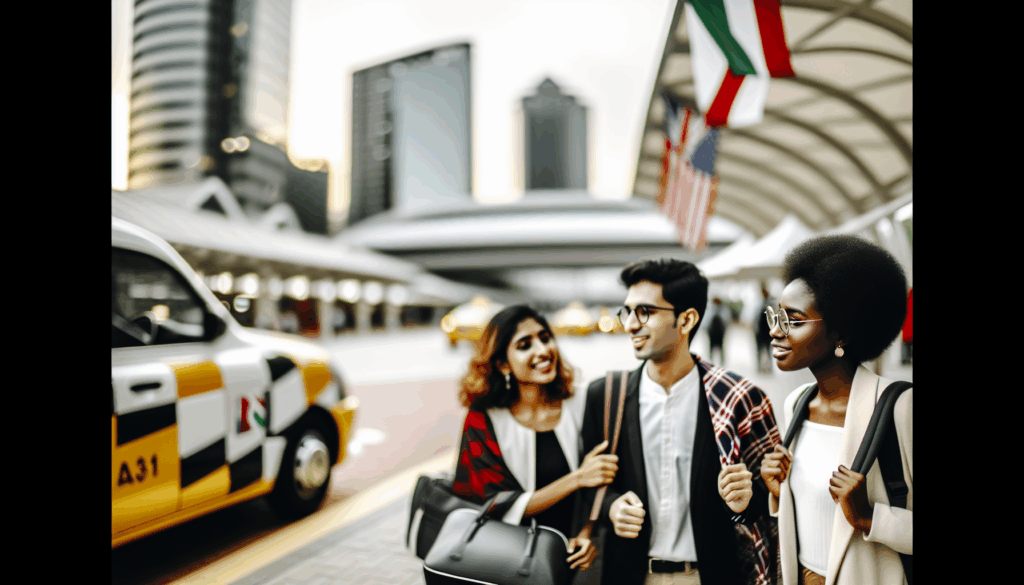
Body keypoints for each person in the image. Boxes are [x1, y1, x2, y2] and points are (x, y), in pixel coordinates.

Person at [580, 259, 780, 585]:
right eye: (627, 311)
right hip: (630, 575)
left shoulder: (738, 398)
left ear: (686, 319)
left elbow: (775, 497)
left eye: (644, 312)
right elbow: (587, 486)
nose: (630, 324)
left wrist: (749, 498)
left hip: (710, 575)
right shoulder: (604, 397)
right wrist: (612, 508)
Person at [759, 235, 911, 585]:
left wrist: (869, 518)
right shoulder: (797, 403)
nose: (775, 332)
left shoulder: (901, 408)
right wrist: (777, 490)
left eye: (793, 321)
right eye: (776, 316)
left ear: (840, 333)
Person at [453, 305, 619, 579]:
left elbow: (602, 479)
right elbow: (496, 504)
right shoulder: (483, 419)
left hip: (578, 554)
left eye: (545, 337)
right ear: (502, 364)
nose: (542, 351)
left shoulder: (580, 403)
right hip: (511, 561)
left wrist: (586, 531)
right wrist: (576, 478)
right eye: (524, 345)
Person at [756, 286, 774, 373]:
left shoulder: (770, 303)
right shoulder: (758, 303)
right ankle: (760, 366)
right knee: (760, 350)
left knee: (768, 349)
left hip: (767, 331)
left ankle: (769, 367)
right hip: (760, 331)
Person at [707, 298, 727, 365]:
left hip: (720, 332)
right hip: (712, 332)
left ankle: (722, 362)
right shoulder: (710, 309)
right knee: (711, 347)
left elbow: (726, 320)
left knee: (721, 347)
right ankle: (711, 361)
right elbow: (707, 320)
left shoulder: (723, 310)